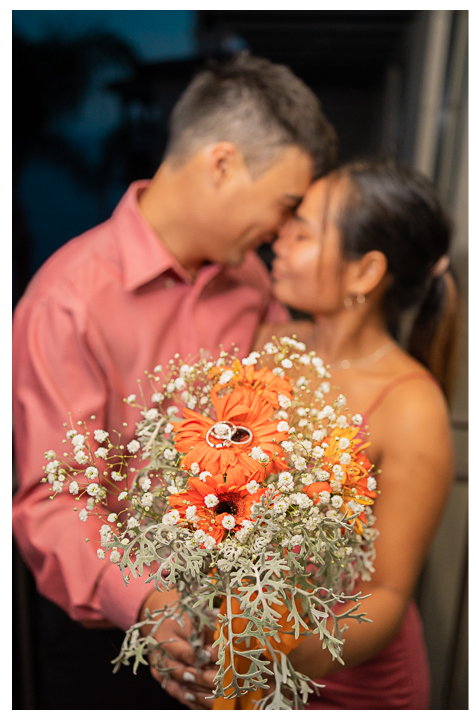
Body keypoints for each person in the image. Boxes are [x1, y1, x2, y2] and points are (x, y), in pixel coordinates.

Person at [12, 52, 337, 710]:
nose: (281, 230)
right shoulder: (68, 300)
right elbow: (52, 503)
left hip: (234, 617)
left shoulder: (253, 285)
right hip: (108, 640)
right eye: (284, 204)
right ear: (221, 163)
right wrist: (147, 601)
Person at [253, 157, 457, 709]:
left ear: (365, 272)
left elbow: (387, 593)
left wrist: (278, 663)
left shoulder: (411, 404)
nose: (280, 241)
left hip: (346, 683)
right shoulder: (262, 343)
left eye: (304, 233)